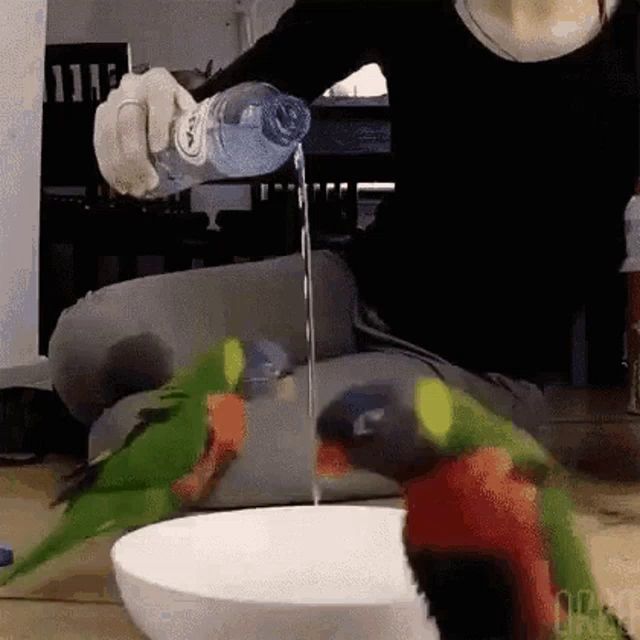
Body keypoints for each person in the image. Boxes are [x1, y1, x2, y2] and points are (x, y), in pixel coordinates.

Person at [94, 0, 637, 412]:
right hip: (358, 290)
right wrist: (147, 118)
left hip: (491, 373)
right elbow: (220, 111)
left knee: (197, 437)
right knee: (93, 345)